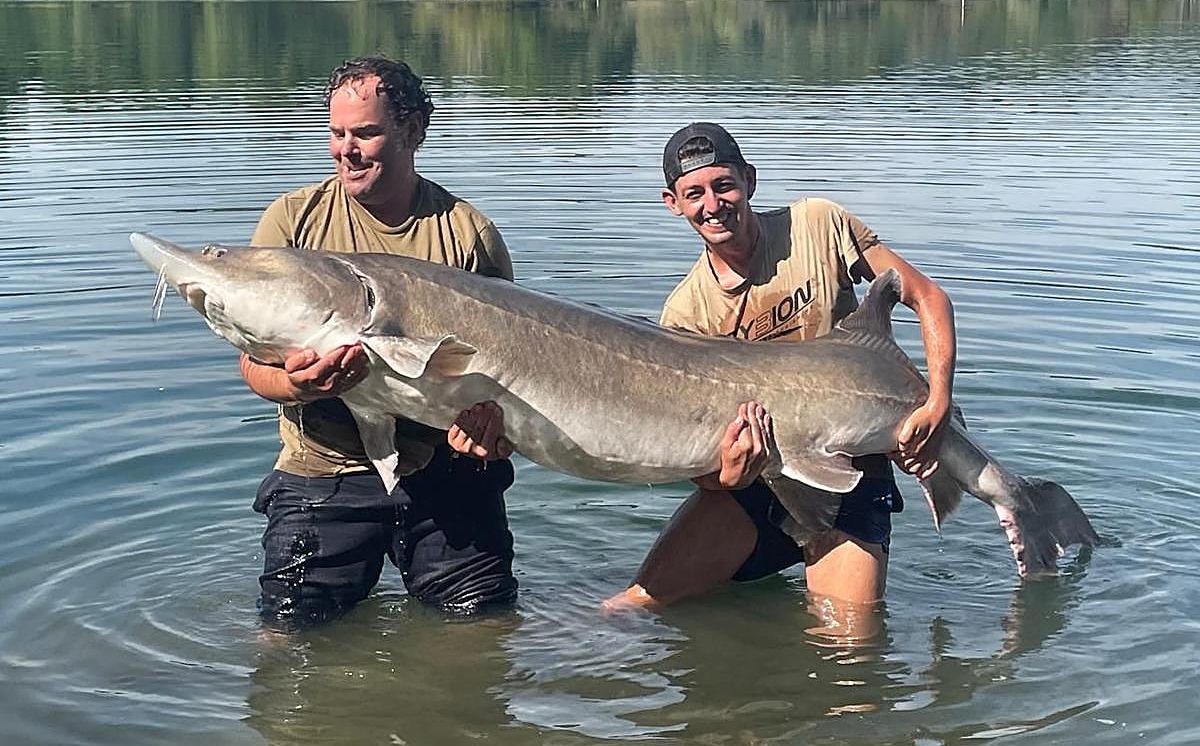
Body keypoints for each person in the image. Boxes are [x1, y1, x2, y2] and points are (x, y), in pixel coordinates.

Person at [602, 122, 957, 618]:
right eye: (694, 194)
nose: (713, 205)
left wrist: (938, 401)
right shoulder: (684, 316)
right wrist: (723, 478)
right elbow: (694, 455)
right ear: (673, 202)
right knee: (630, 607)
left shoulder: (817, 224)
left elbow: (927, 297)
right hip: (757, 486)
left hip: (849, 472)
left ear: (749, 179)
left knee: (849, 651)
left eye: (723, 185)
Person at [240, 56, 518, 629]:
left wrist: (492, 435)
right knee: (286, 641)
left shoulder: (466, 233)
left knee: (483, 635)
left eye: (366, 132)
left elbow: (512, 371)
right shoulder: (293, 225)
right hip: (325, 468)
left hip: (446, 471)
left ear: (414, 130)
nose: (347, 149)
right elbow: (253, 368)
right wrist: (296, 383)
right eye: (336, 132)